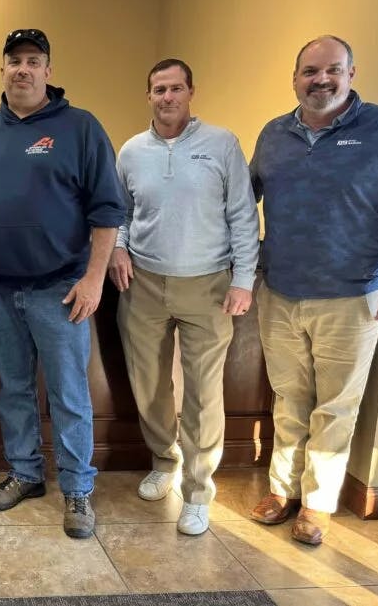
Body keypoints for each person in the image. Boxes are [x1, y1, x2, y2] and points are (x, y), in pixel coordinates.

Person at [0, 28, 126, 538]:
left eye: (33, 61)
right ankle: (25, 474)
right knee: (15, 390)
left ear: (48, 71)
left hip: (61, 290)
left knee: (69, 394)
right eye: (14, 61)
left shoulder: (80, 128)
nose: (22, 69)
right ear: (1, 70)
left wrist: (93, 280)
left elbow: (109, 210)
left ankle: (77, 489)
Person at [249, 35, 378, 545]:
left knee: (337, 406)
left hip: (352, 296)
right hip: (279, 291)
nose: (320, 79)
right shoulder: (274, 133)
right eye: (309, 71)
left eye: (332, 70)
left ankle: (317, 504)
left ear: (351, 73)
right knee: (289, 399)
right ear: (295, 77)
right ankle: (283, 491)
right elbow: (241, 200)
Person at [108, 58, 259, 535]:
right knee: (148, 383)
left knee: (202, 392)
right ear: (148, 95)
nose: (167, 97)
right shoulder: (131, 151)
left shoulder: (221, 144)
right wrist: (117, 249)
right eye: (158, 90)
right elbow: (120, 213)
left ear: (191, 92)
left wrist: (244, 280)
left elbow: (242, 215)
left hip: (209, 285)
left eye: (175, 88)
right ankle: (164, 460)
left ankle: (197, 490)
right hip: (144, 284)